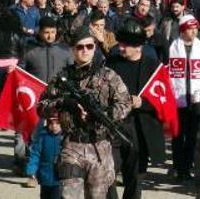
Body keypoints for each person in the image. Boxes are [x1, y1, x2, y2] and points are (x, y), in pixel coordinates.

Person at [37, 26, 132, 199]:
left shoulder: (108, 76)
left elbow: (125, 103)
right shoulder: (62, 78)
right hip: (72, 145)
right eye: (80, 47)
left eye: (89, 46)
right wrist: (64, 103)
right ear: (73, 49)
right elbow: (41, 107)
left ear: (95, 47)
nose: (85, 51)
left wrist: (104, 113)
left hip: (100, 146)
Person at [106, 18, 166, 199]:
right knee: (107, 173)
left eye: (125, 45)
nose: (121, 48)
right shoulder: (111, 63)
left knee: (134, 179)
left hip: (139, 129)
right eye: (120, 43)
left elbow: (164, 100)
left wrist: (143, 102)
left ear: (138, 46)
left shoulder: (153, 67)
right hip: (113, 127)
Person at [169, 15, 200, 181]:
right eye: (190, 28)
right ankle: (178, 167)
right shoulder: (172, 46)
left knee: (192, 136)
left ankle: (187, 167)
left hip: (196, 98)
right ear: (182, 29)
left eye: (196, 28)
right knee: (178, 136)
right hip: (177, 97)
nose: (194, 31)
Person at [19, 17, 73, 84]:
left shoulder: (65, 50)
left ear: (56, 31)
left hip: (58, 92)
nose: (50, 36)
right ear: (40, 32)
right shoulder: (29, 50)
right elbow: (19, 73)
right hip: (36, 91)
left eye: (53, 32)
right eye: (46, 32)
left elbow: (72, 72)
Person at [25, 116, 63, 199]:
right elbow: (36, 153)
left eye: (57, 123)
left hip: (59, 177)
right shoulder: (43, 136)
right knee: (44, 196)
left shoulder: (64, 138)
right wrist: (32, 170)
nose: (54, 126)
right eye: (51, 123)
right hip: (44, 174)